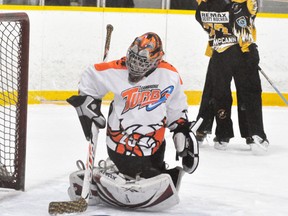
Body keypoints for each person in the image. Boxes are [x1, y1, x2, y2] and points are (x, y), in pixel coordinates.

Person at [66, 32, 200, 210]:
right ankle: (121, 172)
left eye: (142, 62)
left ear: (156, 60)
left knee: (158, 174)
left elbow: (176, 106)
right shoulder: (116, 69)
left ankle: (121, 174)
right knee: (147, 174)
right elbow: (90, 76)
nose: (135, 67)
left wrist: (181, 129)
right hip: (121, 143)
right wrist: (88, 103)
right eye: (133, 59)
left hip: (156, 145)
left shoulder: (169, 74)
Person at [194, 0, 269, 154]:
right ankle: (254, 134)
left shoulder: (201, 8)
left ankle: (221, 135)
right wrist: (250, 49)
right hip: (240, 52)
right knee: (250, 92)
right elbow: (242, 24)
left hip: (218, 53)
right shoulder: (236, 7)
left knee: (217, 93)